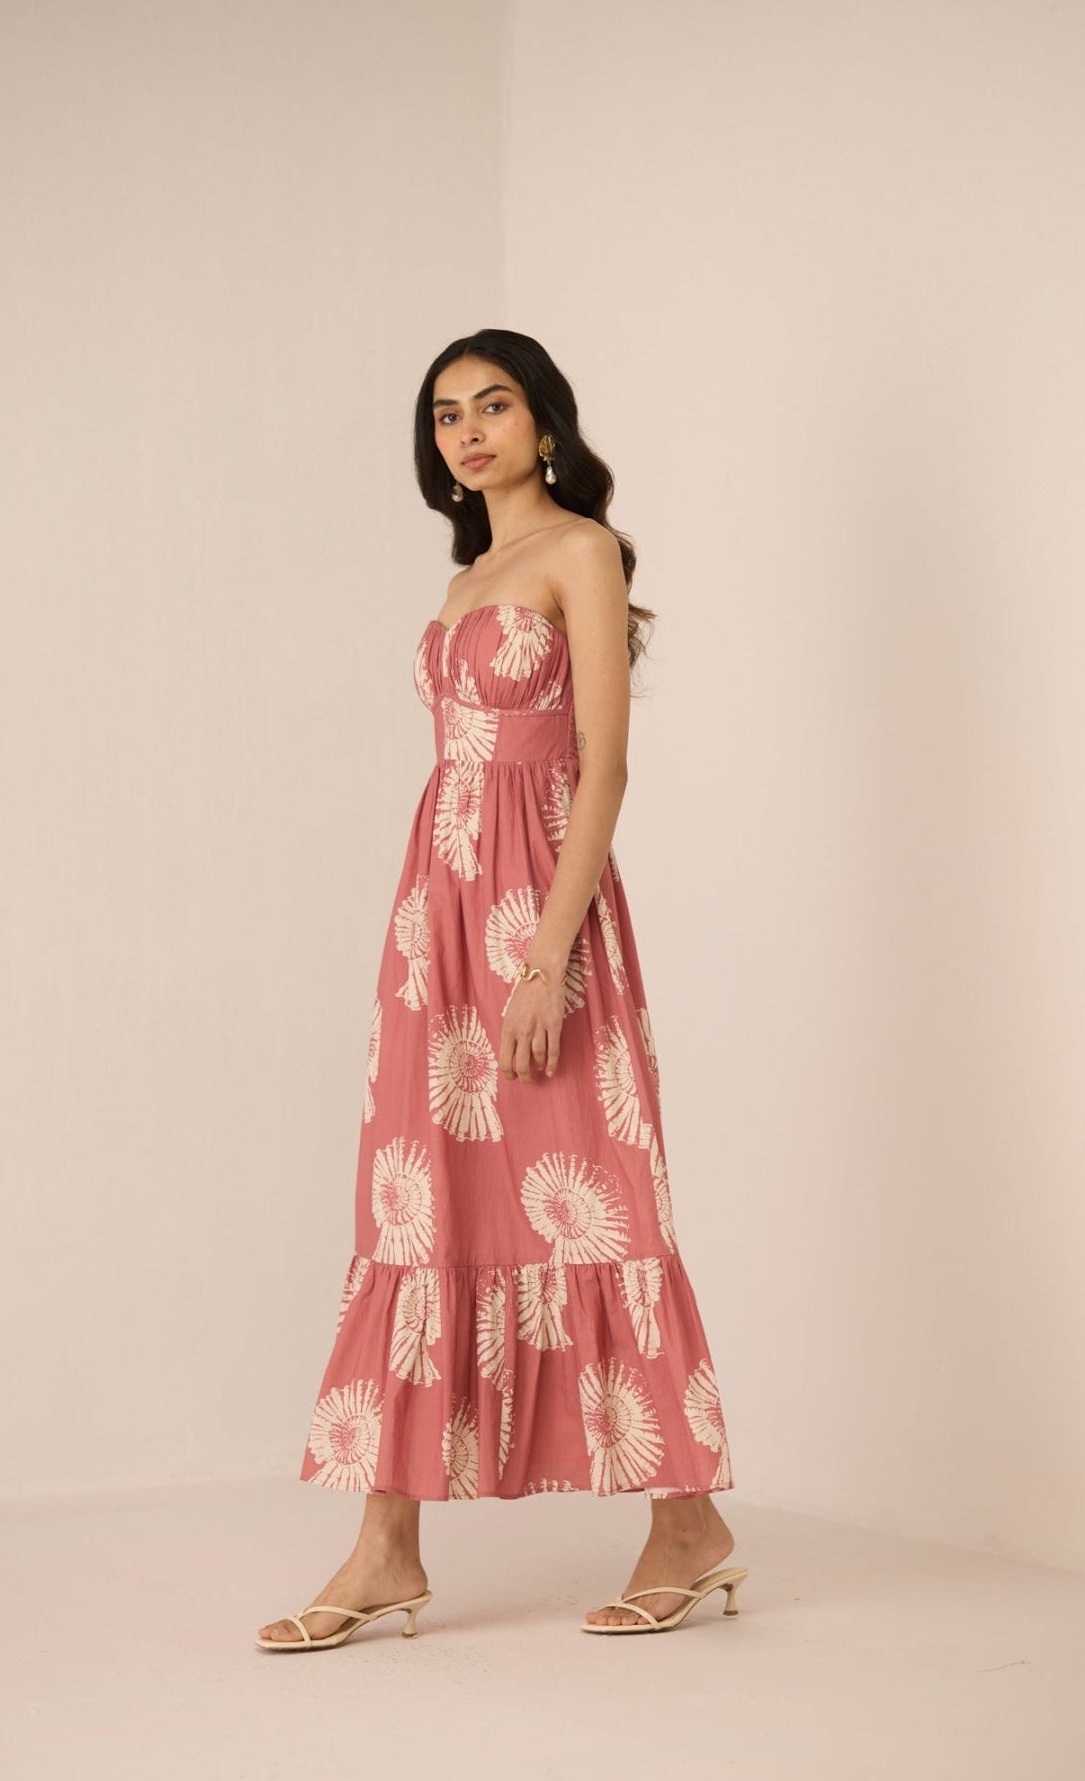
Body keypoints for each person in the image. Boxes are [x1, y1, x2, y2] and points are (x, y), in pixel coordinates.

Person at [257, 328, 747, 1651]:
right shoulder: (470, 573)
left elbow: (602, 770)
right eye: (444, 414)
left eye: (494, 404)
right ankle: (384, 1550)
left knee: (596, 1201)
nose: (466, 431)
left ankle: (689, 1523)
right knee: (424, 1212)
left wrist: (547, 958)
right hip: (438, 921)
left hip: (543, 914)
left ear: (546, 425)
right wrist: (452, 944)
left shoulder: (583, 552)